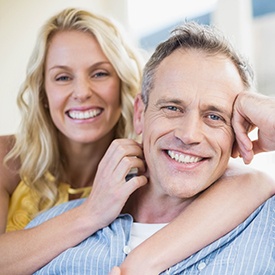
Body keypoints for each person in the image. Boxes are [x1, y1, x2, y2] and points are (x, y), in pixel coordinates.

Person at [27, 22, 275, 275]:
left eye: (214, 117)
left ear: (238, 131)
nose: (188, 135)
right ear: (139, 113)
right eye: (172, 108)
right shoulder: (48, 235)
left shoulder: (269, 223)